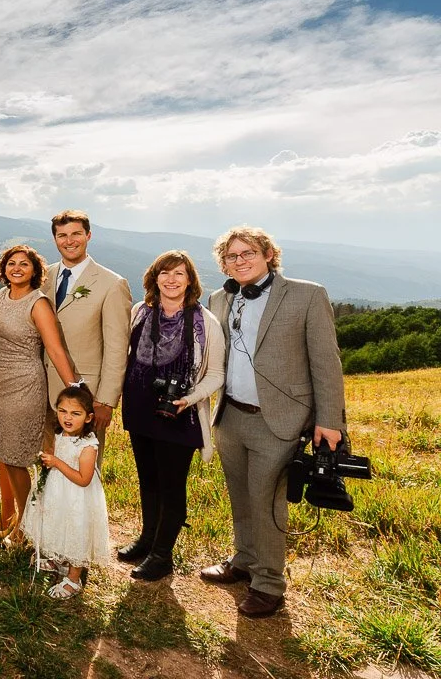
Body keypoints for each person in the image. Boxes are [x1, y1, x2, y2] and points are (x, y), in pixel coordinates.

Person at [199, 226, 346, 618]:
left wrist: (329, 421)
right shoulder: (219, 297)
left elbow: (327, 363)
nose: (239, 261)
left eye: (247, 253)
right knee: (241, 497)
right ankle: (243, 560)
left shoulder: (306, 295)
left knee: (267, 503)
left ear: (268, 254)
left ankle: (268, 584)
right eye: (231, 256)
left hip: (279, 420)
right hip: (230, 415)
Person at [118, 251, 225, 581]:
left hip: (179, 414)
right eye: (165, 273)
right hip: (140, 410)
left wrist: (190, 399)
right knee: (148, 480)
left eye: (179, 273)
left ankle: (163, 555)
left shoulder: (204, 322)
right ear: (154, 278)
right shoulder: (140, 312)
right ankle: (148, 540)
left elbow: (217, 373)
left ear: (189, 279)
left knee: (171, 485)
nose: (171, 279)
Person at [0, 245, 79, 546]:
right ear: (4, 269)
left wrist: (74, 390)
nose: (16, 268)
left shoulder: (38, 304)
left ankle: (24, 526)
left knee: (16, 456)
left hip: (25, 382)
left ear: (34, 270)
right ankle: (14, 519)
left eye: (24, 264)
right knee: (2, 453)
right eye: (11, 263)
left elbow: (55, 349)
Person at [42, 210, 132, 464]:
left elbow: (117, 348)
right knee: (49, 466)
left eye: (76, 234)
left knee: (84, 470)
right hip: (42, 392)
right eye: (62, 235)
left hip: (86, 394)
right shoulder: (43, 277)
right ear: (55, 239)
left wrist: (105, 400)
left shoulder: (111, 283)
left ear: (88, 235)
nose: (69, 241)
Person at [20, 385, 111, 599]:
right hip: (58, 492)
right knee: (56, 521)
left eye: (75, 413)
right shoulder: (60, 434)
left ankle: (73, 577)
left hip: (77, 497)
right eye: (63, 411)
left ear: (88, 418)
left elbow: (83, 479)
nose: (67, 418)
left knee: (74, 528)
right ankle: (57, 558)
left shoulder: (88, 446)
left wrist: (57, 463)